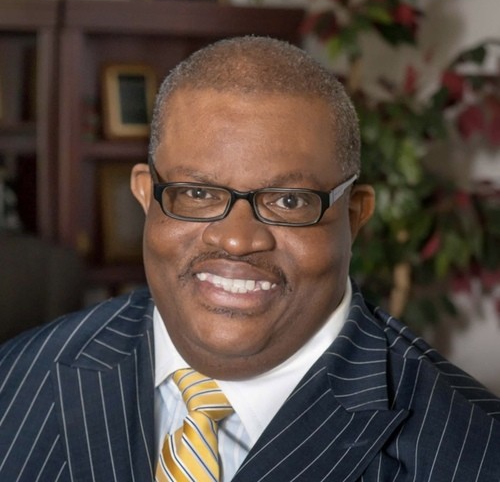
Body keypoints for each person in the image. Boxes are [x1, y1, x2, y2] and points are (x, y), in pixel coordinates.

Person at [1, 36, 499, 482]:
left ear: (355, 216)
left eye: (288, 201)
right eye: (197, 193)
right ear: (146, 196)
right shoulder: (17, 380)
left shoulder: (475, 452)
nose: (237, 241)